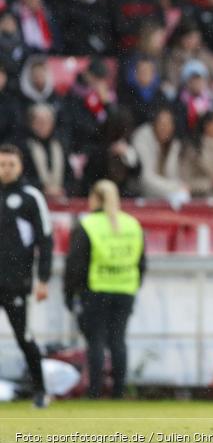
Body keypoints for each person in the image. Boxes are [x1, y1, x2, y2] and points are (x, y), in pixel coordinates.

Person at [64, 180, 145, 399]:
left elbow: (75, 264)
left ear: (95, 198)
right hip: (125, 289)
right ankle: (118, 391)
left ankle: (95, 391)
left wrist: (70, 293)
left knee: (96, 341)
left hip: (96, 289)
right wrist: (133, 284)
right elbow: (142, 262)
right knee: (118, 340)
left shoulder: (88, 224)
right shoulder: (132, 224)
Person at [0, 144, 52, 407]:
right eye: (2, 164)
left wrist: (43, 279)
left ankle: (40, 391)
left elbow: (46, 240)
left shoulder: (30, 197)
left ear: (20, 167)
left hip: (15, 282)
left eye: (11, 164)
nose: (6, 170)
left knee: (24, 337)